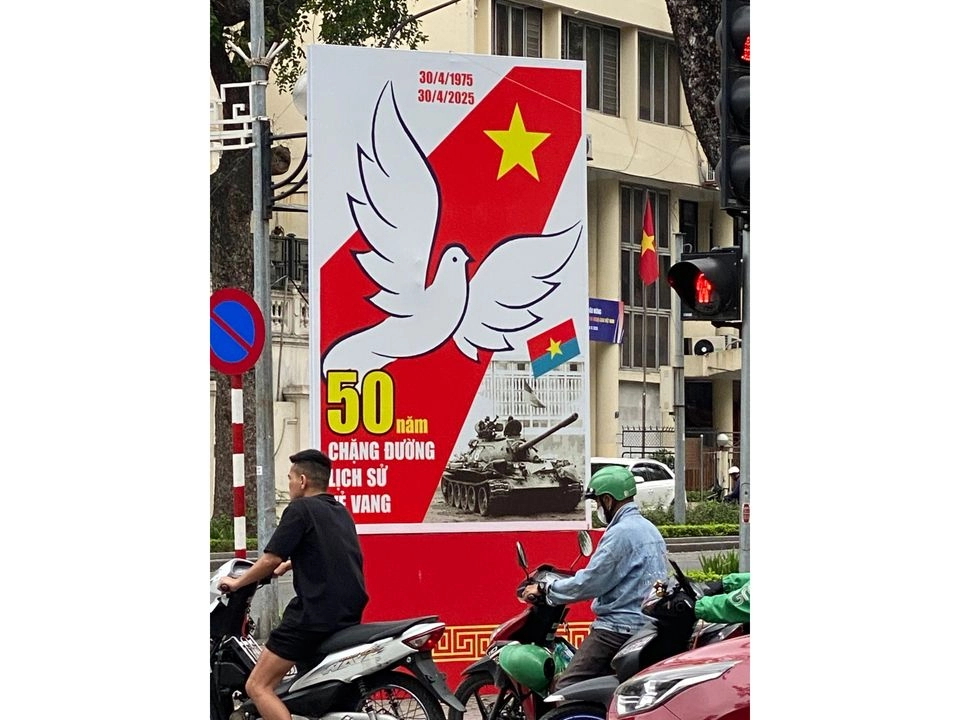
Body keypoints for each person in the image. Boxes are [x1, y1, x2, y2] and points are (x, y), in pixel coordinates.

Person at [218, 449, 368, 720]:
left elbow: (269, 559)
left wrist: (237, 582)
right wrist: (290, 565)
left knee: (258, 686)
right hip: (347, 614)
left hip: (313, 616)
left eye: (289, 479)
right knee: (306, 688)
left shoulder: (300, 509)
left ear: (302, 481)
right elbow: (327, 552)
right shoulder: (339, 511)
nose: (288, 485)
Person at [519, 465, 667, 690]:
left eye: (598, 502)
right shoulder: (650, 530)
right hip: (645, 626)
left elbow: (591, 582)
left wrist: (545, 589)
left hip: (616, 629)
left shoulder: (620, 533)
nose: (598, 508)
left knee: (565, 688)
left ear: (608, 500)